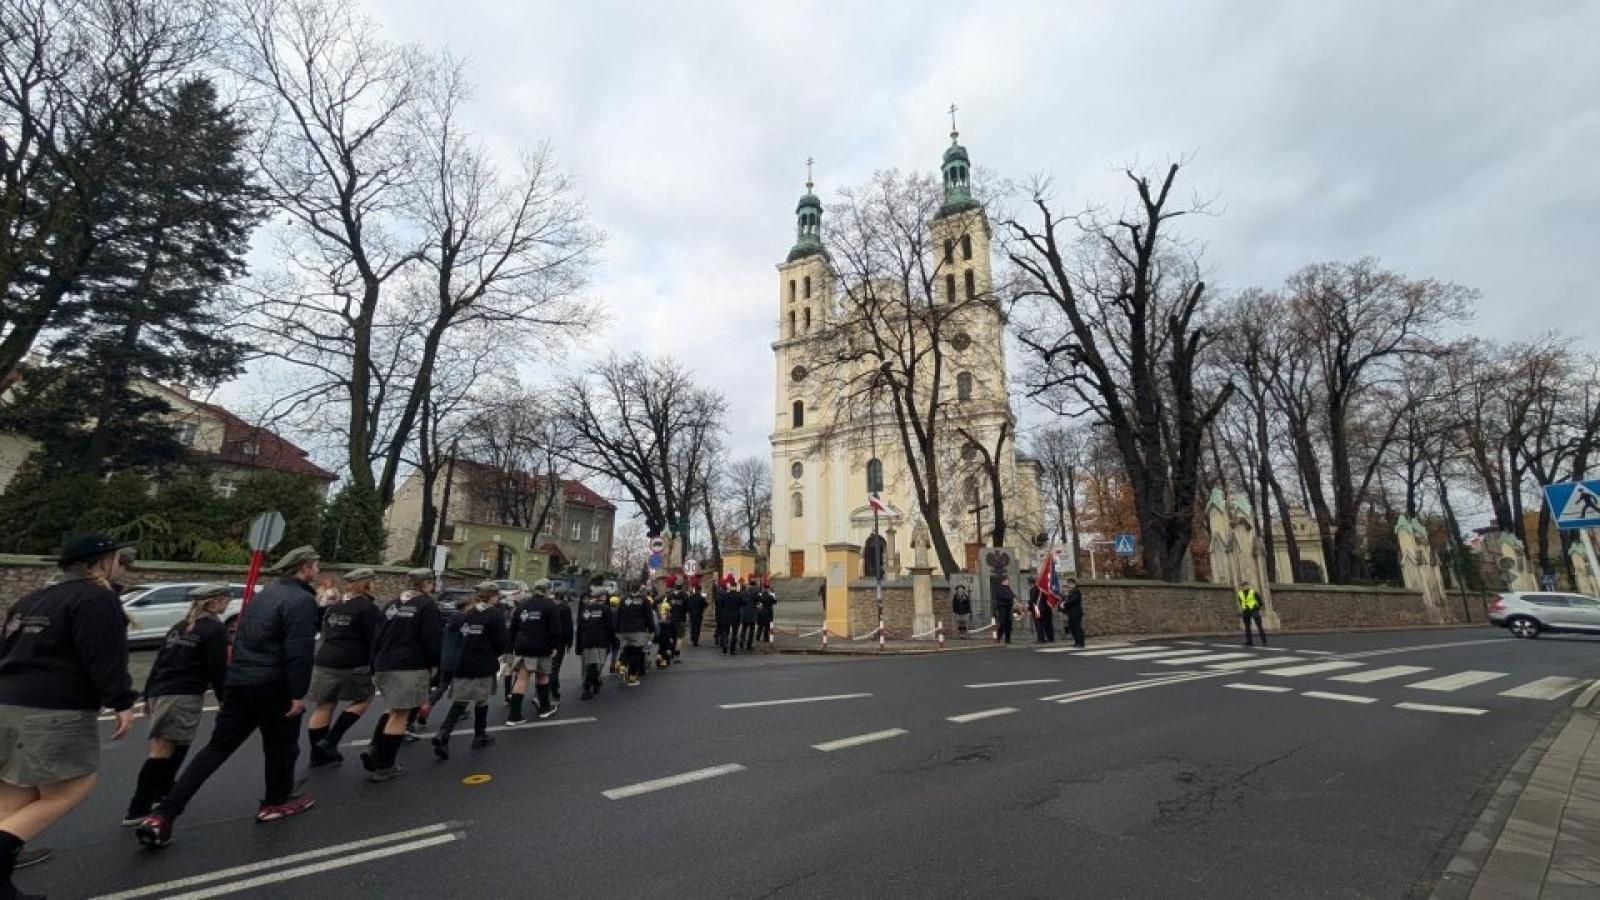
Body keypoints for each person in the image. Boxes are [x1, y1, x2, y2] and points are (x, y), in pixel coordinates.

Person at [137, 546, 320, 848]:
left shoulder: (263, 596)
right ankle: (275, 802)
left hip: (240, 682)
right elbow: (299, 649)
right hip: (272, 684)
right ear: (305, 567)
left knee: (215, 750)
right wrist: (297, 693)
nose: (317, 570)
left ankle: (163, 814)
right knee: (281, 748)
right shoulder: (301, 600)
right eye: (315, 565)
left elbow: (241, 638)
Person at [1, 534, 139, 897]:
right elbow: (103, 656)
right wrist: (122, 701)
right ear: (102, 561)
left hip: (7, 704)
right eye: (117, 559)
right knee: (72, 788)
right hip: (56, 708)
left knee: (16, 801)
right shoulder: (96, 597)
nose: (120, 566)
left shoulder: (31, 599)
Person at [122, 584, 230, 825]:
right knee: (162, 749)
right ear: (214, 602)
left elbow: (160, 661)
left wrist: (148, 694)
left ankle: (164, 791)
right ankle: (138, 807)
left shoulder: (179, 627)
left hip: (164, 690)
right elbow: (217, 668)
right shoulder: (214, 629)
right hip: (183, 693)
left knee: (179, 742)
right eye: (225, 598)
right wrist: (225, 699)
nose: (227, 603)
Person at [359, 569, 443, 783]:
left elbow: (377, 634)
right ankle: (385, 764)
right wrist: (434, 665)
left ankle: (375, 748)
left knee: (392, 709)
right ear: (427, 584)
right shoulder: (427, 606)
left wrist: (373, 662)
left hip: (384, 662)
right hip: (409, 664)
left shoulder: (392, 604)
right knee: (401, 715)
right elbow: (432, 639)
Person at [305, 568, 382, 768]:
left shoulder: (335, 605)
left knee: (324, 705)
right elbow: (374, 640)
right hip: (351, 662)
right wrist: (375, 667)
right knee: (364, 698)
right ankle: (331, 740)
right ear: (366, 584)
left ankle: (317, 755)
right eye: (373, 581)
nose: (375, 585)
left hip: (324, 660)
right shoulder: (367, 608)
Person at [432, 582, 510, 760]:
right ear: (492, 596)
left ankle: (477, 733)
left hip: (463, 661)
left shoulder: (465, 614)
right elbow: (500, 641)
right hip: (483, 662)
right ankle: (446, 734)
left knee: (471, 698)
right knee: (472, 700)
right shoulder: (495, 615)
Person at [507, 581, 563, 722]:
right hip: (542, 646)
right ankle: (544, 709)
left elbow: (513, 628)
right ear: (547, 591)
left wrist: (512, 645)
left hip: (522, 646)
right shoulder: (550, 606)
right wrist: (555, 646)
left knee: (521, 679)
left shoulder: (522, 605)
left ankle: (514, 715)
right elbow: (555, 629)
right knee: (542, 676)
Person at [575, 589, 617, 700]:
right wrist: (613, 641)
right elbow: (610, 627)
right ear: (601, 597)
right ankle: (588, 687)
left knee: (592, 664)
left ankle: (594, 683)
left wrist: (578, 646)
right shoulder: (605, 609)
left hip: (587, 641)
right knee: (596, 665)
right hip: (600, 641)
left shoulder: (585, 609)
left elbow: (580, 628)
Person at [615, 590, 654, 685]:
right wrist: (651, 629)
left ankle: (622, 666)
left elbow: (618, 614)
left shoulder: (623, 599)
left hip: (624, 629)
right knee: (636, 651)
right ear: (640, 589)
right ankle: (632, 677)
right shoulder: (644, 600)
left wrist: (617, 629)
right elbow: (648, 615)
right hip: (638, 629)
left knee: (626, 649)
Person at [1238, 581, 1268, 647]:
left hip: (1254, 610)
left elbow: (1260, 602)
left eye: (1246, 585)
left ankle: (1264, 640)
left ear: (1248, 586)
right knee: (1247, 627)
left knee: (1259, 626)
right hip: (1245, 611)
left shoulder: (1253, 592)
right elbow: (1240, 602)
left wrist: (1257, 608)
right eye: (1244, 586)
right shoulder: (1240, 594)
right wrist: (1243, 608)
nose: (1245, 587)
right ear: (1242, 587)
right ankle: (1249, 641)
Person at [1062, 579, 1086, 648]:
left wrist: (1065, 603)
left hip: (1076, 612)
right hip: (1071, 613)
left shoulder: (1076, 591)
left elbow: (1073, 601)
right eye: (1068, 584)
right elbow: (1068, 600)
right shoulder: (1071, 591)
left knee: (1077, 628)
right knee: (1072, 628)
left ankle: (1081, 643)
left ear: (1073, 584)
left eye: (1069, 584)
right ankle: (1076, 642)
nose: (1068, 585)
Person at [993, 576, 1016, 644]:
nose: (1008, 581)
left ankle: (1007, 640)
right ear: (1003, 581)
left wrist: (1012, 597)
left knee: (1008, 624)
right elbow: (1002, 597)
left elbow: (1012, 595)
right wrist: (1010, 598)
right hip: (1002, 608)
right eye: (1007, 580)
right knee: (1002, 624)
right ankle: (998, 638)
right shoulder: (999, 588)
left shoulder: (1008, 588)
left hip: (1008, 608)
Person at [738, 578, 760, 651]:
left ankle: (742, 640)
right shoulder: (756, 592)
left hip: (745, 613)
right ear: (754, 585)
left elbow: (740, 600)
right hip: (752, 614)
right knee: (751, 630)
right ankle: (749, 645)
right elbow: (758, 600)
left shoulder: (744, 592)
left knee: (744, 628)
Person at [687, 579, 708, 647]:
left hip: (692, 614)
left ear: (695, 590)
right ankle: (696, 640)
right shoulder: (701, 598)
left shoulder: (691, 597)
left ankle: (692, 636)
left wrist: (689, 611)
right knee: (698, 627)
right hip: (699, 614)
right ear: (700, 590)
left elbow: (688, 605)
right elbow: (706, 604)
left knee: (692, 626)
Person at [756, 577, 776, 645]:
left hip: (761, 611)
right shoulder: (770, 595)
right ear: (768, 588)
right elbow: (775, 602)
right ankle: (766, 638)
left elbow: (758, 602)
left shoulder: (760, 594)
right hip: (768, 612)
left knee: (760, 626)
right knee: (767, 626)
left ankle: (758, 637)